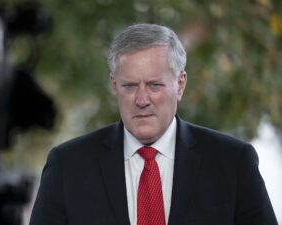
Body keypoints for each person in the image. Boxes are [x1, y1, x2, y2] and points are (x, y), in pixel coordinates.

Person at [29, 23, 278, 225]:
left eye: (154, 85)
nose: (141, 100)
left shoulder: (233, 162)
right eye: (129, 86)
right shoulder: (68, 165)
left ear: (180, 85)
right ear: (114, 85)